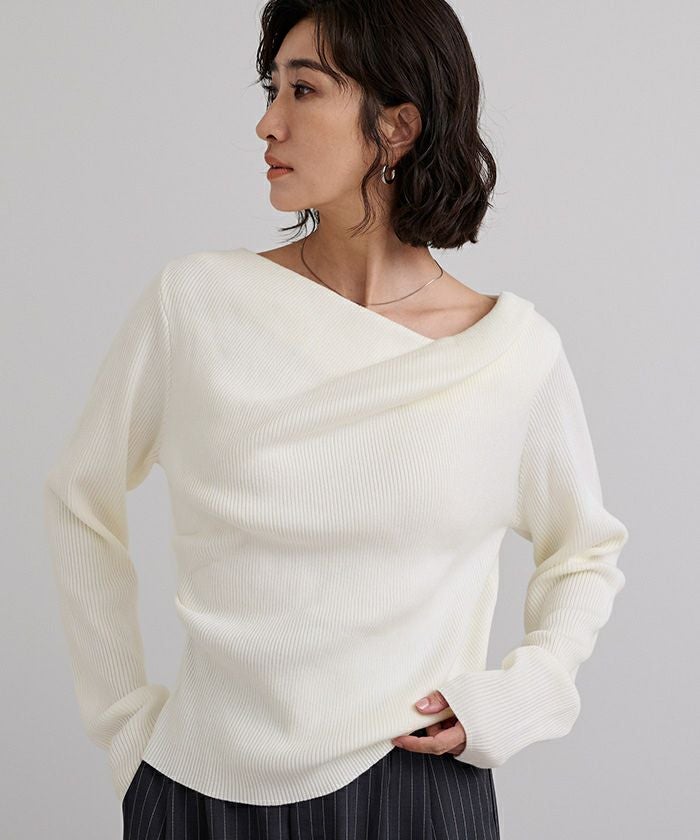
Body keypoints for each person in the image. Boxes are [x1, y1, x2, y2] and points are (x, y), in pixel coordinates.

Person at [42, 2, 629, 838]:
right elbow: (78, 498)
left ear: (396, 126)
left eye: (303, 90)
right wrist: (126, 730)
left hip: (416, 793)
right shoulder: (198, 305)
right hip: (202, 789)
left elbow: (585, 552)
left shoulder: (510, 355)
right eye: (271, 88)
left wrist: (524, 695)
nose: (267, 122)